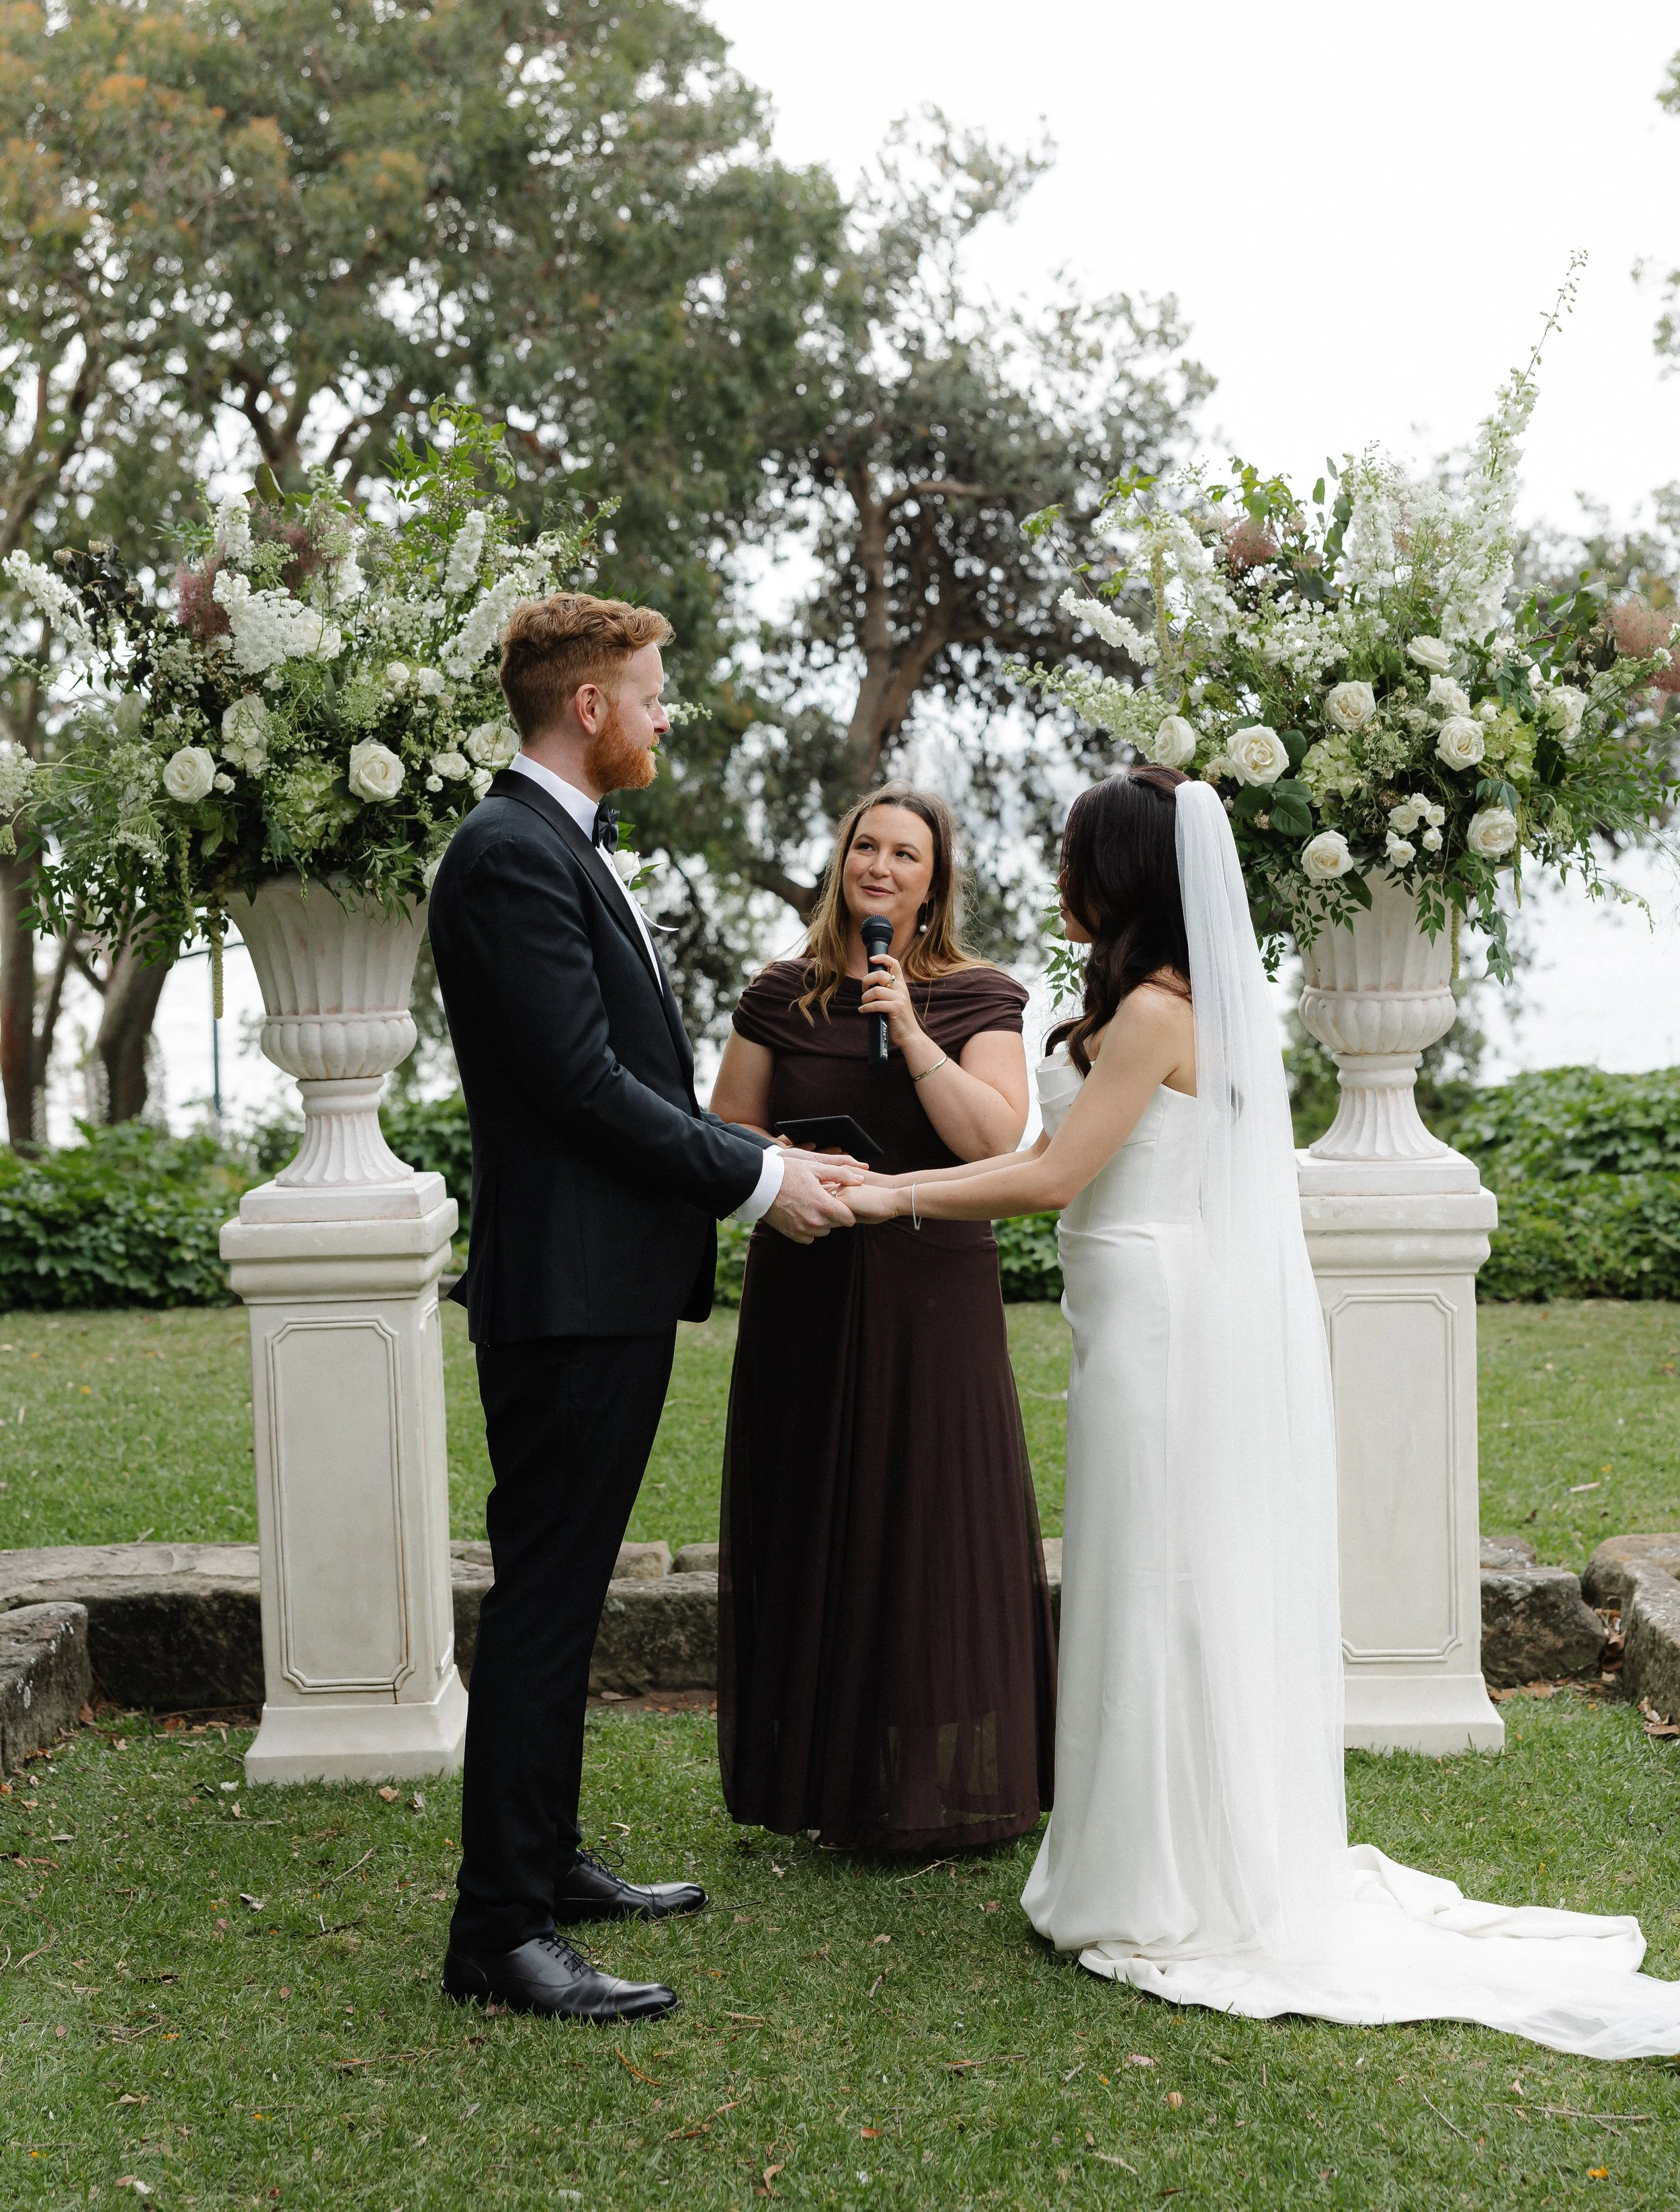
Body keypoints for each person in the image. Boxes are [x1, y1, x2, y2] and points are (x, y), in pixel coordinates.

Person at [845, 768, 1680, 2056]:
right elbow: (1058, 1163)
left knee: (1154, 1582)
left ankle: (1158, 1874)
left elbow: (1054, 1177)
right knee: (1144, 1575)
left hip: (1156, 1321)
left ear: (1120, 877)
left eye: (1075, 858)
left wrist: (887, 1198)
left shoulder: (1156, 1013)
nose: (1061, 878)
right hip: (1130, 1310)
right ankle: (1149, 1843)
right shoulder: (1157, 1003)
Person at [428, 593, 866, 2024]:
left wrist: (754, 1161)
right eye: (652, 692)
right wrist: (758, 1177)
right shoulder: (507, 852)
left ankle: (545, 1859)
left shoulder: (558, 841)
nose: (664, 713)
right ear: (590, 705)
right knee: (546, 1602)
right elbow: (579, 1087)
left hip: (601, 1286)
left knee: (566, 1594)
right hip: (566, 1294)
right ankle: (499, 1932)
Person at [710, 785, 1057, 1851]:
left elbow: (995, 1139)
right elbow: (725, 1127)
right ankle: (823, 1779)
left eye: (907, 853)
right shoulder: (779, 993)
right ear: (841, 861)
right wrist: (788, 1163)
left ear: (934, 881)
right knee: (815, 1504)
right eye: (867, 845)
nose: (881, 865)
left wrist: (906, 1026)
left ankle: (931, 1784)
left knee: (926, 1513)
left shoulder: (980, 994)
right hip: (805, 1278)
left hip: (932, 1287)